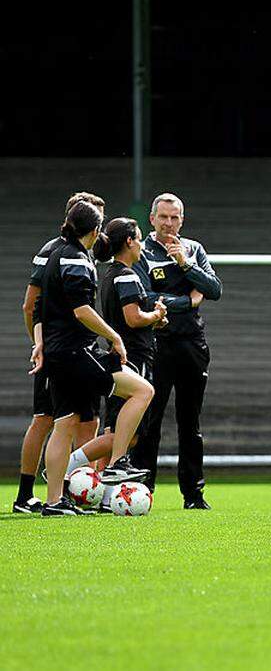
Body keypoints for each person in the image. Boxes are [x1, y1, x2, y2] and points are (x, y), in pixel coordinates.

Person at [37, 201, 155, 515]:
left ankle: (53, 502)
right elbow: (81, 310)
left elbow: (37, 308)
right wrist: (114, 337)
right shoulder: (76, 258)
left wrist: (39, 343)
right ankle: (117, 464)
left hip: (57, 352)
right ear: (94, 230)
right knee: (143, 391)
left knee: (64, 424)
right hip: (77, 351)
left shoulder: (56, 254)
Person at [14, 192, 106, 513]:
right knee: (52, 419)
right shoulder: (55, 253)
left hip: (68, 348)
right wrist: (39, 343)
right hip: (60, 349)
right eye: (97, 221)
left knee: (82, 420)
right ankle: (37, 495)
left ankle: (76, 491)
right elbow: (31, 305)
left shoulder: (81, 253)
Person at [131, 193, 223, 509]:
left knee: (190, 423)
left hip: (191, 345)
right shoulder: (141, 252)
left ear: (182, 220)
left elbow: (214, 290)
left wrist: (185, 264)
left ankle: (194, 495)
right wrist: (188, 300)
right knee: (150, 420)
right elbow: (145, 298)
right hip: (156, 344)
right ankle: (144, 491)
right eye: (163, 217)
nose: (169, 223)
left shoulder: (193, 249)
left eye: (175, 217)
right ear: (152, 219)